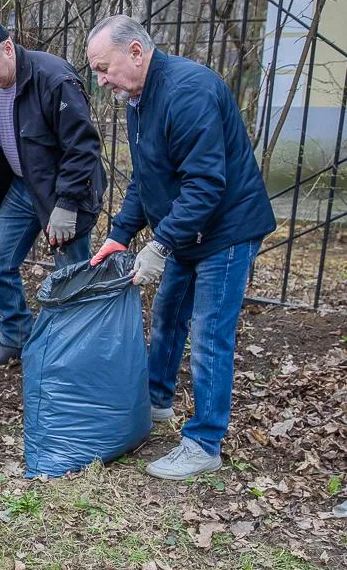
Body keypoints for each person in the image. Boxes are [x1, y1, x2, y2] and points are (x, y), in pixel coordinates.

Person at [86, 15, 276, 480]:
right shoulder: (138, 98)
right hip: (191, 232)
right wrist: (120, 234)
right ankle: (155, 403)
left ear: (136, 52)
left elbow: (206, 185)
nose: (102, 79)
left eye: (104, 67)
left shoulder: (187, 92)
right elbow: (146, 181)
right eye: (96, 70)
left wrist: (161, 244)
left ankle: (204, 442)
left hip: (227, 231)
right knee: (169, 315)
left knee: (210, 334)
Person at [0, 16, 107, 369]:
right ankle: (17, 338)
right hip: (24, 188)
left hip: (64, 192)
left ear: (8, 49)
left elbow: (83, 147)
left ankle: (73, 355)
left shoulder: (54, 79)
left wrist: (67, 204)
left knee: (69, 274)